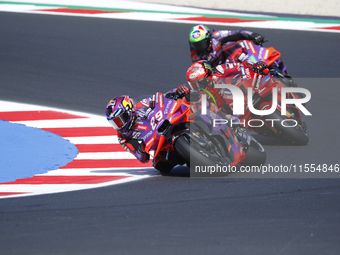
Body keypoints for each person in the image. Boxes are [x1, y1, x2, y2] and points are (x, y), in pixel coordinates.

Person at [105, 85, 191, 172]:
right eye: (115, 123)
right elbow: (142, 158)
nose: (119, 126)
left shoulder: (142, 104)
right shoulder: (123, 137)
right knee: (160, 165)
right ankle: (186, 156)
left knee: (188, 97)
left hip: (168, 119)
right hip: (159, 141)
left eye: (120, 120)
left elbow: (161, 98)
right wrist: (141, 150)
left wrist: (177, 91)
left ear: (129, 112)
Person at [186, 59, 270, 115]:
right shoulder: (197, 95)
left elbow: (239, 66)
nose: (199, 86)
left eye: (200, 82)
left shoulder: (218, 70)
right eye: (195, 84)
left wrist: (253, 68)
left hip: (240, 92)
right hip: (230, 115)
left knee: (257, 69)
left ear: (208, 76)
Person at [189, 24, 265, 67]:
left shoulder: (216, 35)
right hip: (218, 72)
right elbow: (200, 70)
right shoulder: (195, 55)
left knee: (230, 45)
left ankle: (256, 60)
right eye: (196, 45)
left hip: (228, 60)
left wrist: (253, 35)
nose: (200, 47)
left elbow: (237, 33)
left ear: (208, 38)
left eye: (202, 43)